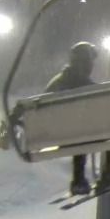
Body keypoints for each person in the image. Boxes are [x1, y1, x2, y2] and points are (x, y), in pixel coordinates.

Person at [45, 42, 98, 195]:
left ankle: (78, 179)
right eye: (90, 62)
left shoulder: (61, 80)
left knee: (80, 131)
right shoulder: (78, 81)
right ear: (85, 61)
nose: (92, 66)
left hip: (55, 133)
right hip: (70, 133)